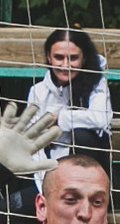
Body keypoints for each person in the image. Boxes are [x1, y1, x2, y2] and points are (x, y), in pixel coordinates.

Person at [16, 27, 112, 207]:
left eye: (73, 58)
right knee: (10, 207)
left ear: (84, 59)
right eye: (59, 57)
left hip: (92, 177)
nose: (65, 65)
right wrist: (46, 185)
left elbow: (100, 119)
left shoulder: (97, 83)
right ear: (49, 57)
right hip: (48, 175)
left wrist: (60, 117)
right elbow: (34, 143)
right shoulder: (38, 91)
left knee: (83, 134)